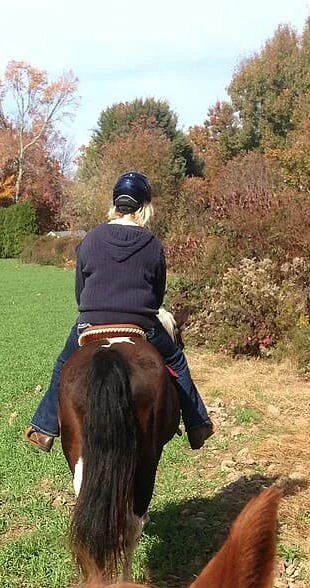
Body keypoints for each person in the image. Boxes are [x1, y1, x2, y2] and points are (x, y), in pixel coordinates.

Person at [25, 171, 214, 452]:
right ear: (144, 208)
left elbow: (81, 289)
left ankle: (43, 428)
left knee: (64, 364)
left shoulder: (90, 239)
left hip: (91, 322)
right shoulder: (152, 245)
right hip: (140, 324)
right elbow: (157, 293)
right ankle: (197, 425)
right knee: (175, 360)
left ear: (116, 204)